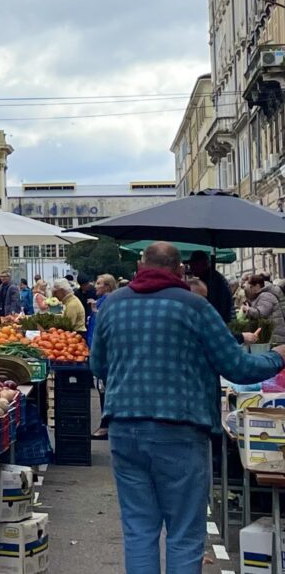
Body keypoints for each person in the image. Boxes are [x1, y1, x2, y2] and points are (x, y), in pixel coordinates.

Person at [90, 242, 285, 573]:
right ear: (180, 270)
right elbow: (236, 366)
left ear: (140, 266)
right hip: (180, 427)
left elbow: (97, 364)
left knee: (139, 530)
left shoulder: (113, 306)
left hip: (124, 427)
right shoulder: (195, 307)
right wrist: (277, 356)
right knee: (184, 534)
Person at [87, 273, 118, 440]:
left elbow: (105, 324)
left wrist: (95, 311)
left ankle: (106, 426)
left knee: (104, 388)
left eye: (99, 283)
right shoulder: (102, 301)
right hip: (96, 347)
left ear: (107, 286)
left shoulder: (108, 301)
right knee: (102, 389)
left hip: (104, 352)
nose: (96, 286)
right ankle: (106, 424)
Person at [187, 250, 234, 324]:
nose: (191, 268)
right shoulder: (211, 277)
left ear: (204, 264)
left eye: (194, 264)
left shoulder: (212, 280)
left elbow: (216, 306)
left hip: (219, 321)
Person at [242, 274, 285, 345]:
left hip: (275, 336)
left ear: (257, 285)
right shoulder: (262, 295)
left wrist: (248, 309)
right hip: (272, 335)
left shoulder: (266, 296)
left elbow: (261, 314)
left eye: (251, 287)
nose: (251, 289)